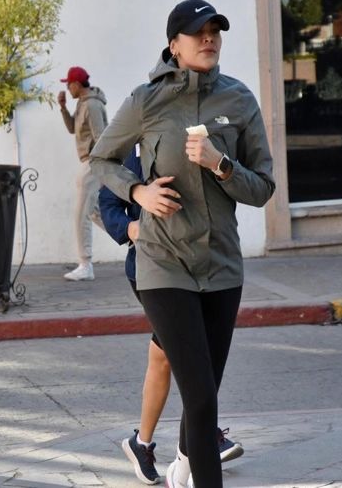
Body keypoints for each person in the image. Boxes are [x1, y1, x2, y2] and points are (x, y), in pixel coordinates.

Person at [90, 0, 275, 488]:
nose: (209, 38)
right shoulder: (145, 101)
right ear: (174, 45)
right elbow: (100, 160)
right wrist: (138, 192)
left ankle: (181, 468)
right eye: (198, 32)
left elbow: (263, 188)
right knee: (201, 400)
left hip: (221, 266)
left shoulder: (238, 101)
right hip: (162, 263)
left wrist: (221, 165)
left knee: (205, 393)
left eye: (216, 30)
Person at [99, 146, 244, 486]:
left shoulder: (199, 145)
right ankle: (200, 437)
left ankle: (144, 442)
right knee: (188, 353)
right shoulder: (137, 152)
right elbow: (107, 204)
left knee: (165, 355)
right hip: (152, 274)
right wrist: (132, 229)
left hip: (200, 273)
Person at [57, 66, 108, 281]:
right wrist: (62, 108)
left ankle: (86, 264)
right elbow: (72, 129)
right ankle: (135, 238)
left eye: (69, 85)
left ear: (76, 84)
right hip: (90, 162)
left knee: (81, 214)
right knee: (95, 211)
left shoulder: (93, 105)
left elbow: (102, 137)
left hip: (94, 162)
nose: (68, 89)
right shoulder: (81, 104)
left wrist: (99, 165)